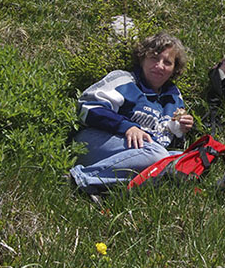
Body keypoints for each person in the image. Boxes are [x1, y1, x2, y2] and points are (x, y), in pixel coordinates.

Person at [69, 32, 194, 195]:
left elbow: (167, 136)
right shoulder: (125, 80)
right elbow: (87, 108)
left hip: (143, 152)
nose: (160, 66)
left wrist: (182, 128)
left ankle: (106, 191)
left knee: (186, 159)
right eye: (154, 58)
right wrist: (127, 127)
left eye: (167, 62)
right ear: (142, 59)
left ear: (174, 69)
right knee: (157, 155)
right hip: (96, 142)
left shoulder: (173, 96)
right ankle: (80, 179)